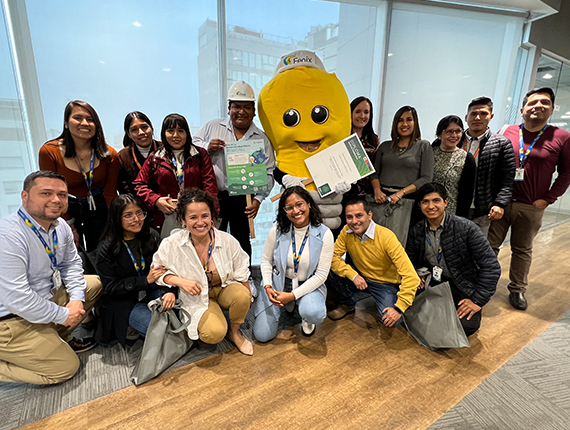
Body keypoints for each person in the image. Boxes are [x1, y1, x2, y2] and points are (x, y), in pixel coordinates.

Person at [0, 171, 102, 385]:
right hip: (10, 318)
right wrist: (63, 314)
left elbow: (71, 265)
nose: (56, 200)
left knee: (92, 284)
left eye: (62, 195)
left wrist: (75, 300)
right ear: (25, 196)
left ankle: (57, 339)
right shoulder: (8, 236)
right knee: (65, 369)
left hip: (43, 299)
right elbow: (17, 299)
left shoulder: (60, 226)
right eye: (46, 193)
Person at [488, 87, 570, 311]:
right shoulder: (508, 131)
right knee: (490, 246)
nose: (539, 106)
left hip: (531, 205)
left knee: (522, 249)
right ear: (523, 109)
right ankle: (483, 283)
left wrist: (548, 198)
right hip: (501, 202)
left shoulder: (561, 137)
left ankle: (517, 289)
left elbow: (566, 173)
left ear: (552, 109)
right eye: (533, 103)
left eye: (545, 102)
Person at [153, 188, 253, 355]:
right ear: (183, 220)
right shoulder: (171, 244)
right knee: (213, 334)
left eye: (205, 216)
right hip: (198, 297)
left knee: (242, 295)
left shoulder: (227, 240)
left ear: (212, 216)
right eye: (193, 217)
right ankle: (215, 317)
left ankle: (235, 332)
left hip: (223, 288)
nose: (200, 222)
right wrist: (180, 281)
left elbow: (242, 269)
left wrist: (247, 296)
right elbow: (157, 272)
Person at [193, 80, 275, 257]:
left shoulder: (261, 139)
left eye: (247, 107)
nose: (241, 112)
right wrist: (207, 146)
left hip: (244, 198)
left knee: (242, 240)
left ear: (254, 112)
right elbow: (192, 145)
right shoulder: (213, 127)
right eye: (236, 106)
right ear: (229, 109)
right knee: (211, 236)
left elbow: (268, 172)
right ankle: (213, 275)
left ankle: (245, 277)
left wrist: (258, 199)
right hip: (215, 195)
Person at [406, 183, 500, 337]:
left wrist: (477, 300)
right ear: (420, 205)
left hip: (460, 283)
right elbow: (408, 258)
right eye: (425, 202)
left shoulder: (467, 228)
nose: (431, 206)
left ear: (446, 202)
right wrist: (415, 273)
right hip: (433, 281)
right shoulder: (417, 230)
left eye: (436, 200)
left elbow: (491, 267)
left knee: (466, 326)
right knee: (402, 309)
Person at [254, 186, 333, 341]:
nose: (295, 211)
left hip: (308, 284)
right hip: (279, 283)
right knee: (262, 335)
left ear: (309, 204)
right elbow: (265, 260)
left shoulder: (325, 234)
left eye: (299, 204)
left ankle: (302, 310)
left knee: (314, 312)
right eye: (289, 208)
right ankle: (290, 304)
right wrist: (268, 286)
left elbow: (322, 275)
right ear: (285, 211)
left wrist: (291, 295)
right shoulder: (277, 229)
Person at [39, 100, 119, 252]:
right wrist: (67, 222)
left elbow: (110, 194)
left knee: (102, 252)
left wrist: (117, 221)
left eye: (90, 120)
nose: (85, 123)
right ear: (66, 123)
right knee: (70, 251)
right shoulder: (49, 152)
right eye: (78, 118)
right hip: (64, 206)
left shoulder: (109, 154)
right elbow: (50, 193)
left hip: (99, 206)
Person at [327, 198, 420, 327]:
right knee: (326, 268)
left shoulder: (387, 237)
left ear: (369, 215)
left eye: (359, 215)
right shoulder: (346, 231)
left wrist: (399, 307)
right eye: (349, 217)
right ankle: (348, 303)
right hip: (362, 275)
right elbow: (333, 256)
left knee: (390, 320)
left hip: (385, 284)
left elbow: (411, 276)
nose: (354, 221)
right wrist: (353, 275)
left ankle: (397, 299)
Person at [95, 194, 174, 347]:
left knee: (177, 309)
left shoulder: (151, 236)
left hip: (153, 290)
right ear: (117, 218)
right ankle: (130, 326)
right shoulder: (107, 247)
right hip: (124, 300)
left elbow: (165, 268)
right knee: (158, 329)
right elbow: (110, 287)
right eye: (128, 215)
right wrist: (144, 281)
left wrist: (169, 291)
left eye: (139, 213)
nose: (136, 219)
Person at [134, 113, 218, 235]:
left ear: (187, 133)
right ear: (164, 133)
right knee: (171, 251)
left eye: (180, 130)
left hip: (197, 214)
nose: (175, 135)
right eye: (171, 130)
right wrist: (156, 200)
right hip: (167, 215)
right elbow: (139, 184)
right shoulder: (155, 158)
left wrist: (212, 214)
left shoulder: (199, 154)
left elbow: (210, 186)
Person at [369, 106, 434, 245]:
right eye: (400, 120)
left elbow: (426, 178)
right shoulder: (385, 146)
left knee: (400, 245)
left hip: (408, 203)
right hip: (381, 200)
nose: (404, 124)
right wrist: (377, 190)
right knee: (376, 243)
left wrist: (401, 193)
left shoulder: (423, 146)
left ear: (415, 122)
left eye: (409, 120)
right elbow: (373, 172)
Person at [462, 96, 515, 236]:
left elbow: (507, 179)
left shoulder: (501, 144)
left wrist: (500, 204)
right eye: (473, 113)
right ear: (466, 117)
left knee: (476, 251)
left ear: (491, 116)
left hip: (482, 209)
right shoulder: (454, 140)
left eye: (483, 113)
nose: (477, 117)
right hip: (454, 206)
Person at [432, 115, 476, 216]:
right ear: (439, 134)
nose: (454, 135)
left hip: (452, 213)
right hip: (427, 210)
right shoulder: (429, 153)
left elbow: (467, 194)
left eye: (458, 131)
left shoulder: (467, 158)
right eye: (449, 131)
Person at [118, 111, 161, 196]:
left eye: (144, 127)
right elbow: (124, 191)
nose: (141, 132)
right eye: (134, 129)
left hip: (167, 203)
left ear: (151, 128)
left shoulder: (165, 149)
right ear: (129, 134)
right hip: (137, 205)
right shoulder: (122, 157)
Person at [345, 96, 380, 199]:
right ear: (350, 113)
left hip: (366, 196)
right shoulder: (342, 137)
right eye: (357, 112)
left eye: (366, 112)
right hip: (343, 193)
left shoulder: (374, 140)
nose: (362, 116)